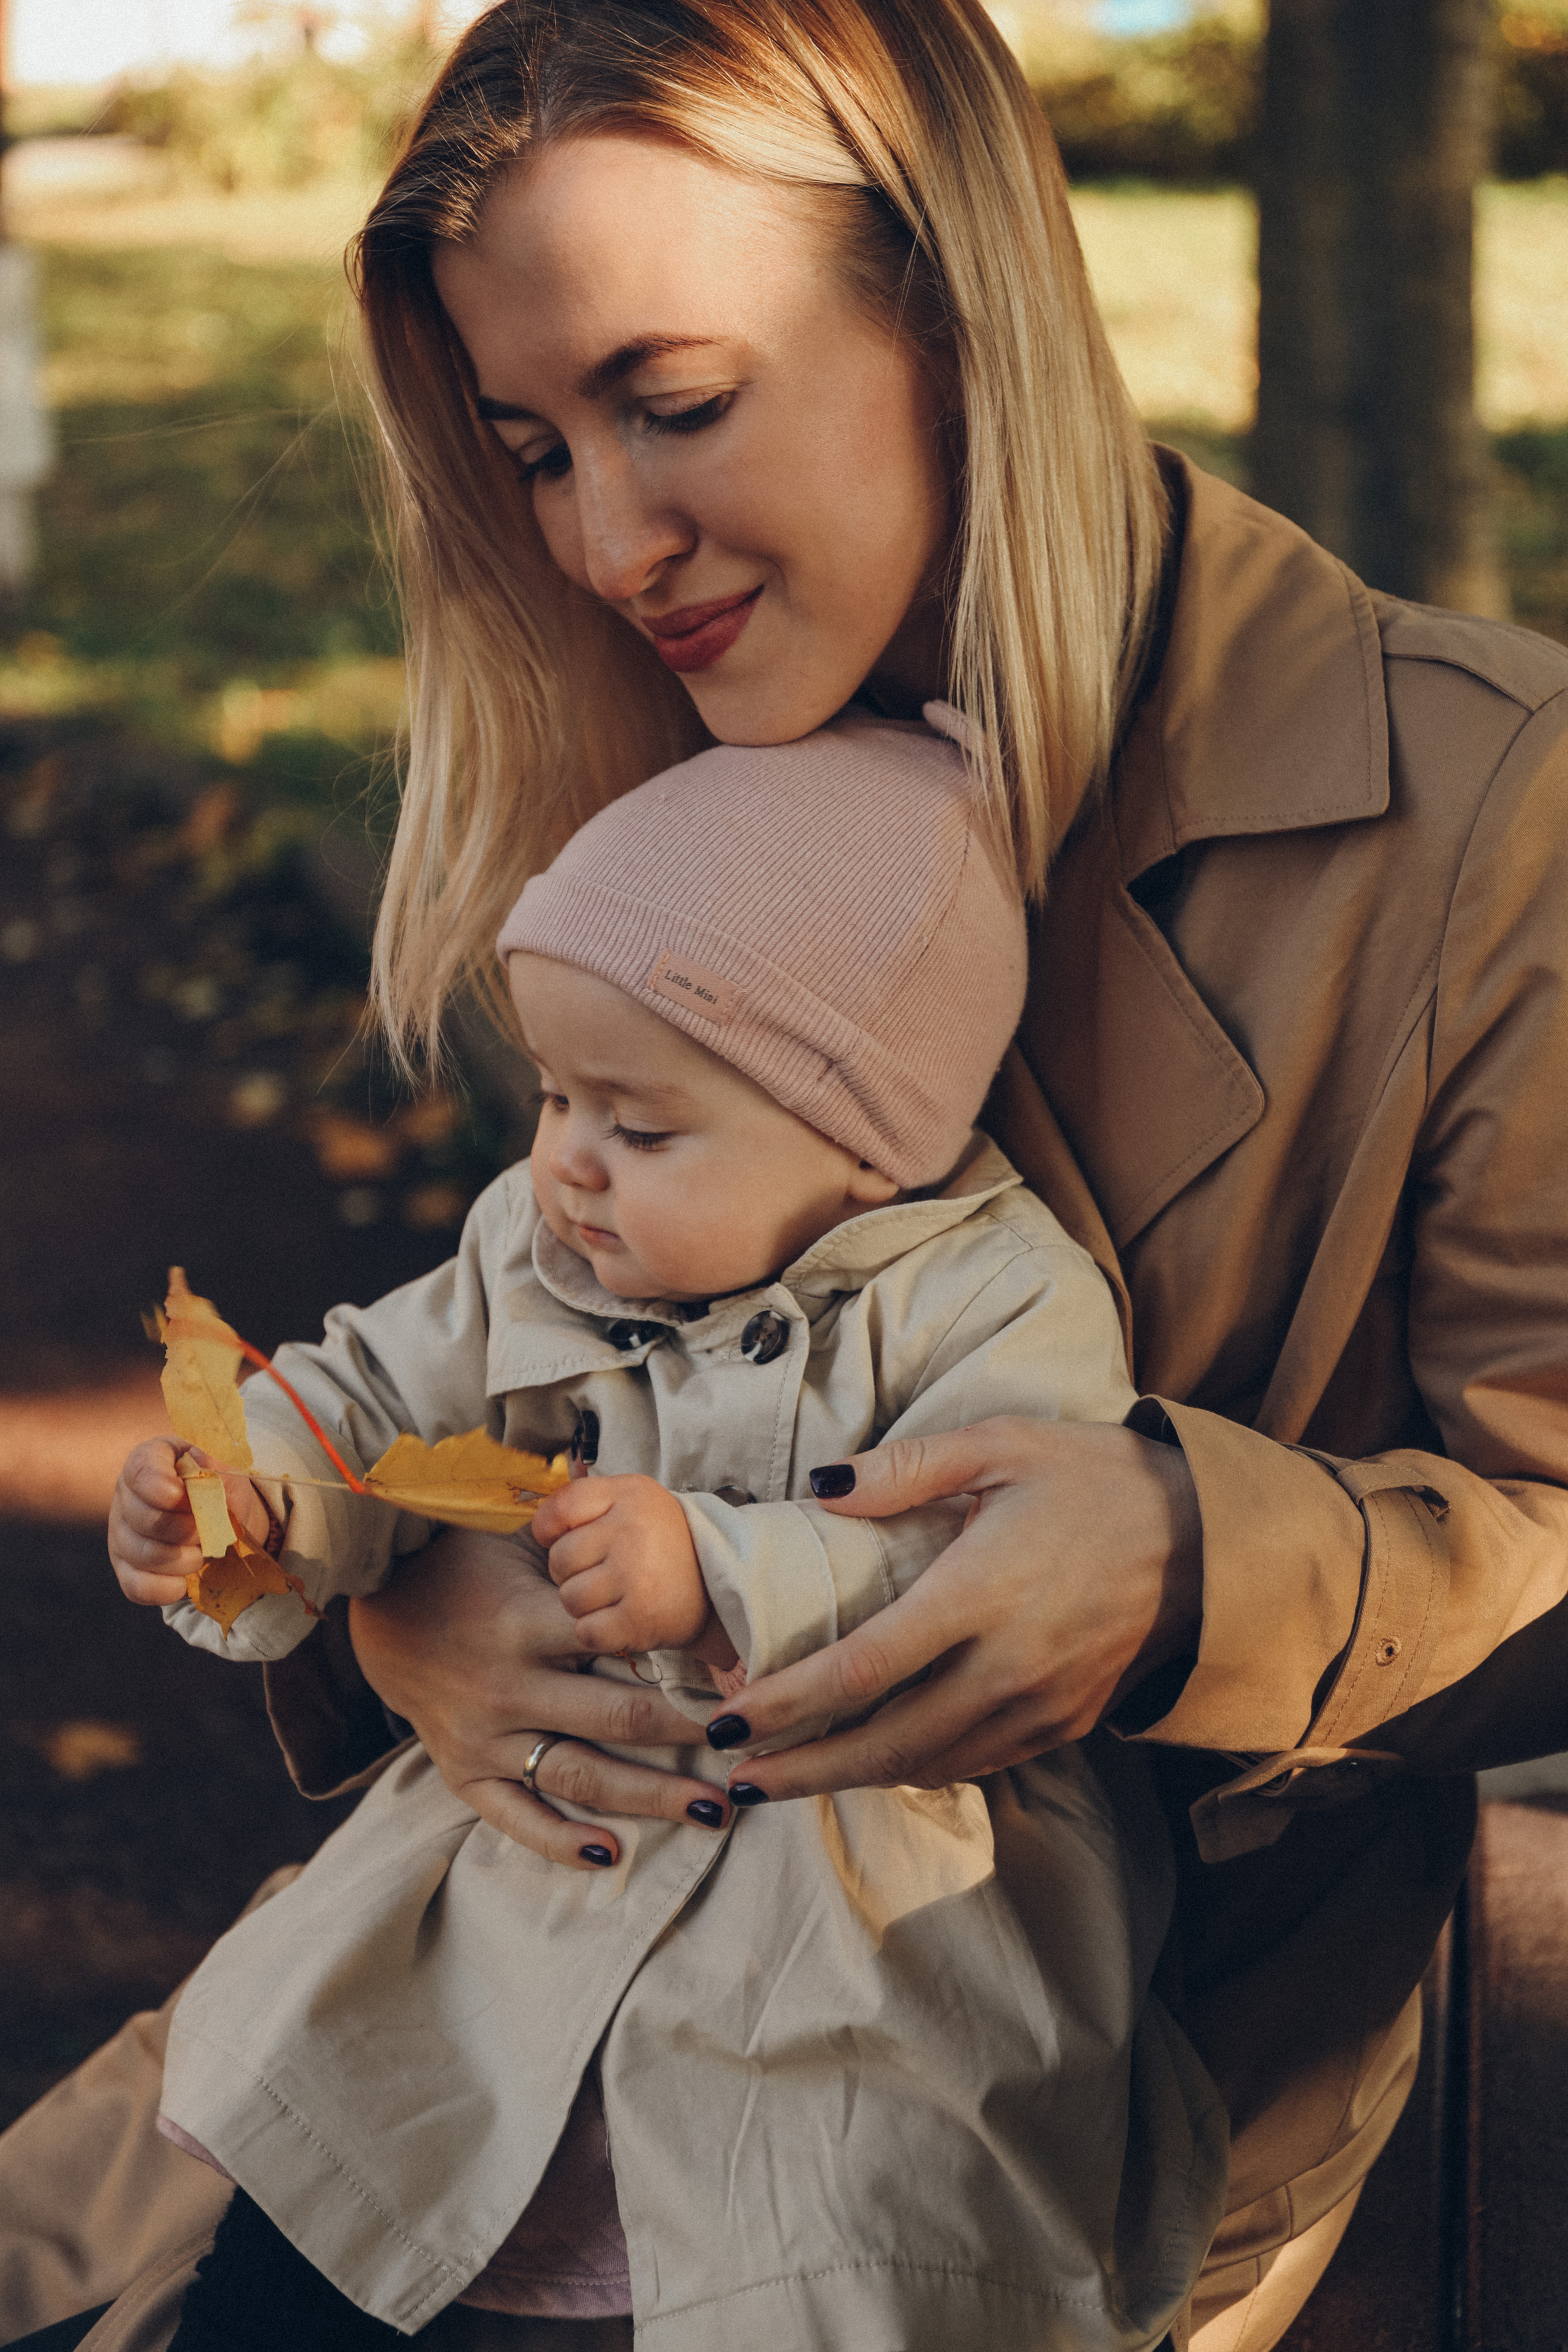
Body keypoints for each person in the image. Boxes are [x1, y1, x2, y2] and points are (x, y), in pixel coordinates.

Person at [1, 1, 1566, 2346]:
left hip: (1020, 2164)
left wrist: (1175, 1571)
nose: (606, 540)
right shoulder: (665, 726)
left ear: (958, 306)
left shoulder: (1492, 818)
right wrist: (402, 1594)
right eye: (531, 446)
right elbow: (551, 1345)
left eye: (677, 398)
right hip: (492, 2045)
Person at [108, 711, 1224, 2352]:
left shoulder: (993, 1299)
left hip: (853, 1927)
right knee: (349, 2180)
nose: (564, 1163)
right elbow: (366, 1390)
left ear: (873, 1142)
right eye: (554, 1097)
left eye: (638, 1127)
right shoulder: (539, 1244)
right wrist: (260, 1499)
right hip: (524, 1885)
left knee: (809, 2234)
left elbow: (989, 1561)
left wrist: (730, 1568)